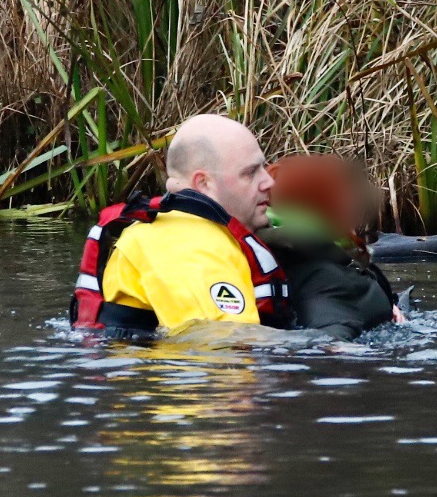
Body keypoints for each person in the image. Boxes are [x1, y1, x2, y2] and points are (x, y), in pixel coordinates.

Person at [70, 113, 292, 333]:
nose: (269, 181)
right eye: (251, 172)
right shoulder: (188, 247)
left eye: (264, 167)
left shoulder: (187, 230)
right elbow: (227, 347)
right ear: (204, 183)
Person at [263, 154, 402, 336]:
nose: (353, 201)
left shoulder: (270, 257)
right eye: (343, 193)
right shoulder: (329, 282)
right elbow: (329, 343)